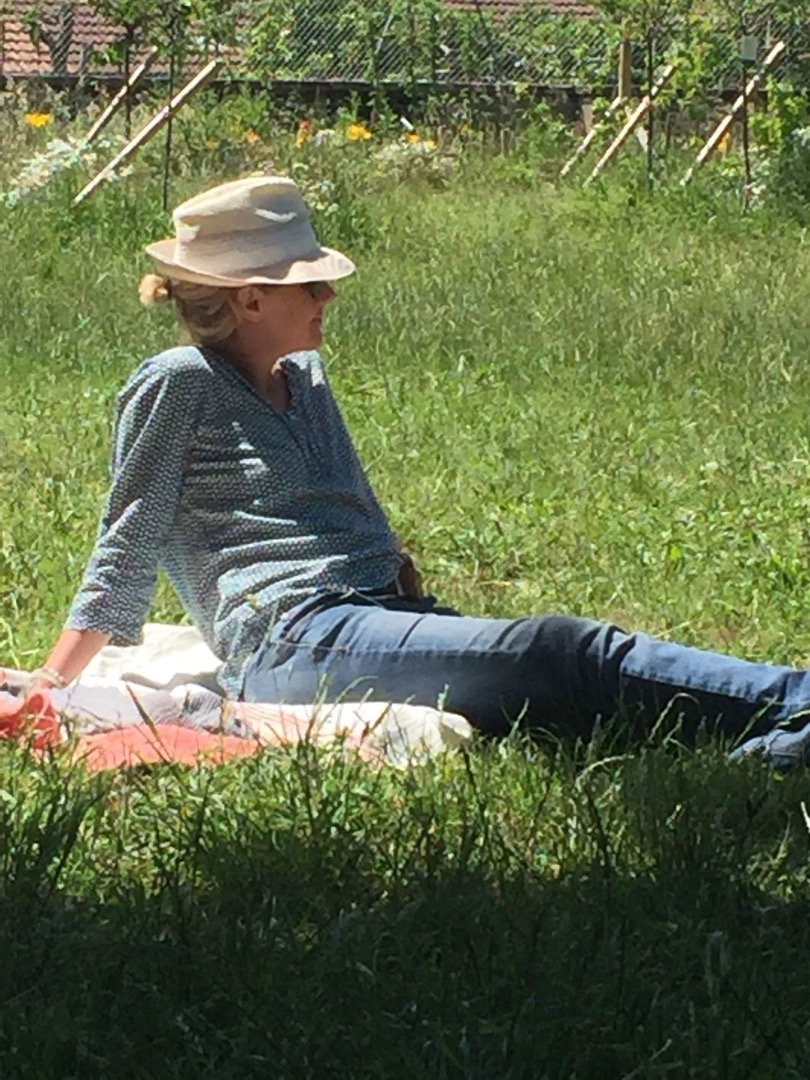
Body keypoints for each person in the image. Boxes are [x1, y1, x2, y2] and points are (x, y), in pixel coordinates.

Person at [25, 174, 810, 766]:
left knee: (556, 688)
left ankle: (777, 744)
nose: (329, 294)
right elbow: (128, 540)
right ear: (250, 301)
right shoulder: (179, 382)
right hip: (295, 641)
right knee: (562, 651)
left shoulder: (304, 377)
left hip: (366, 619)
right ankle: (795, 700)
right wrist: (53, 685)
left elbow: (355, 507)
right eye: (309, 283)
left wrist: (408, 595)